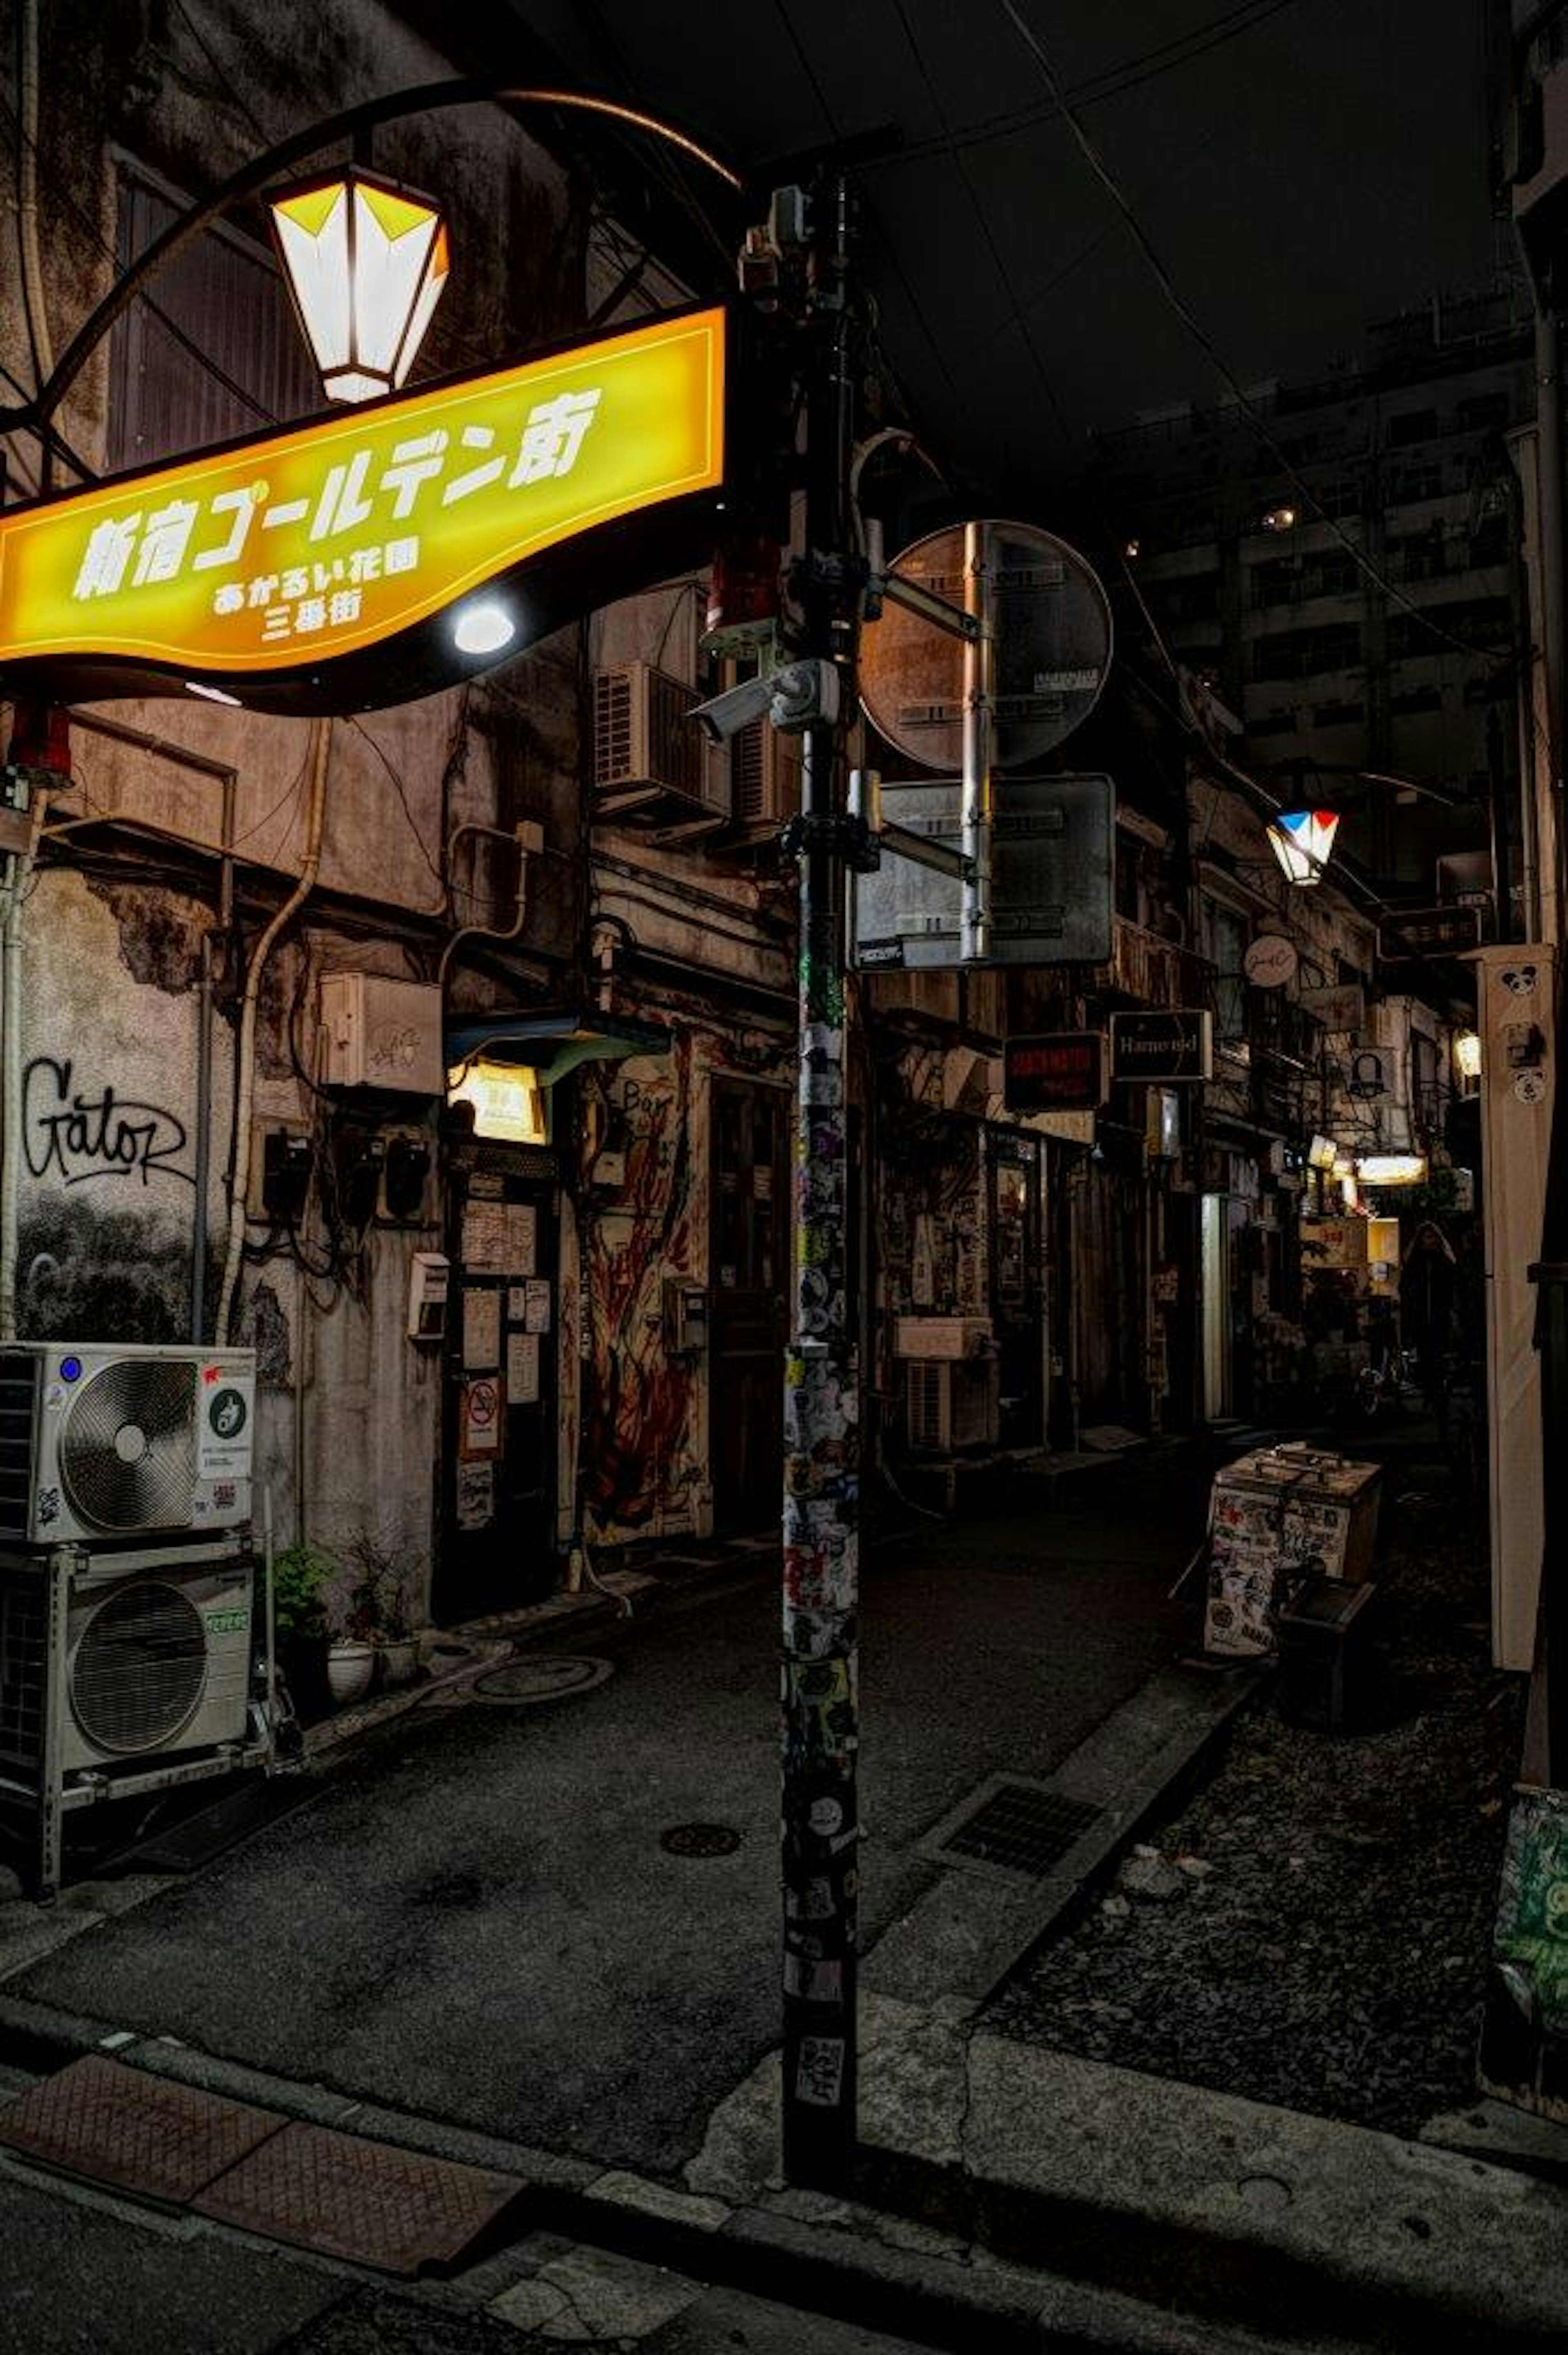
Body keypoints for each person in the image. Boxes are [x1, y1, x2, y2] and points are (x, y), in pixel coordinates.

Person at [1401, 1221, 1457, 1423]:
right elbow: (1406, 1282)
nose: (1429, 1241)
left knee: (1437, 1356)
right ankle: (1431, 1394)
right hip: (1422, 1316)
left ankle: (1436, 1395)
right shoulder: (1416, 1261)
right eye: (1426, 1237)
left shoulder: (1443, 1261)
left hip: (1438, 1315)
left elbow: (1452, 1279)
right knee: (1426, 1356)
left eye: (1432, 1237)